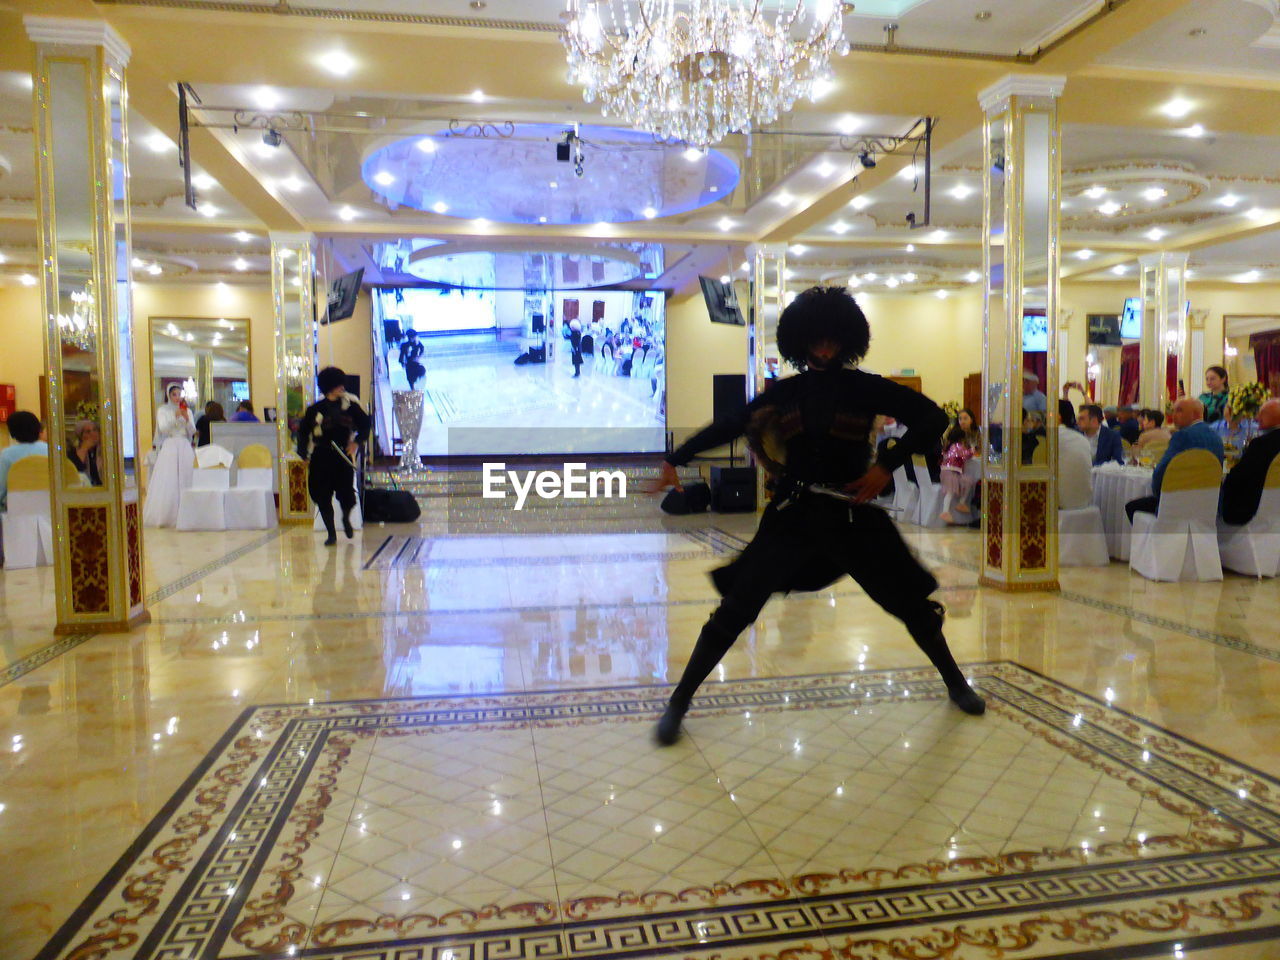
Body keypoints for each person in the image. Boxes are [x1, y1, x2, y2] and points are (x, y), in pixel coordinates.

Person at [648, 286, 984, 746]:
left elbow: (929, 418)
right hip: (794, 515)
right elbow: (731, 423)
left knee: (910, 607)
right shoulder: (786, 392)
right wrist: (676, 457)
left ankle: (956, 684)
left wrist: (885, 465)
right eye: (816, 340)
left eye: (832, 340)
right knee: (734, 610)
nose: (824, 348)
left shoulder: (866, 387)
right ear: (800, 342)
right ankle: (678, 704)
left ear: (847, 340)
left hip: (852, 516)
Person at [298, 366, 370, 546]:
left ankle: (346, 518)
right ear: (329, 386)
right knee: (322, 495)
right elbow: (302, 432)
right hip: (321, 456)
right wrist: (304, 455)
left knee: (346, 493)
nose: (342, 388)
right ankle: (331, 533)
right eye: (339, 385)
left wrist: (356, 442)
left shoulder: (350, 407)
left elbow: (365, 424)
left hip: (342, 456)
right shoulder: (315, 409)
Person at [1125, 397, 1225, 523]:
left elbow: (1161, 475)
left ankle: (1151, 542)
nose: (1173, 415)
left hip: (1179, 505)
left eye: (1179, 411)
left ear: (1194, 414)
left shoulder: (1182, 436)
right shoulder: (1215, 436)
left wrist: (1160, 494)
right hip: (1209, 505)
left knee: (1132, 506)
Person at [1220, 399, 1280, 526]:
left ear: (1275, 417)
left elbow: (1238, 478)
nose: (1257, 418)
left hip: (1255, 512)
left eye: (1262, 414)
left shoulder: (1262, 444)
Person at [143, 384, 196, 527]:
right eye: (174, 394)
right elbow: (163, 428)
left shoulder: (188, 411)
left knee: (187, 476)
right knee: (169, 478)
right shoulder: (163, 410)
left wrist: (186, 419)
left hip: (184, 446)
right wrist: (175, 416)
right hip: (171, 445)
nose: (177, 397)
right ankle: (167, 515)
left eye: (179, 394)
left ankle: (188, 513)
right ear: (169, 395)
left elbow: (192, 431)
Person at [0, 411, 48, 513]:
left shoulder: (7, 454)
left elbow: (1, 489)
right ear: (38, 428)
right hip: (48, 510)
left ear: (12, 432)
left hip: (17, 512)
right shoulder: (51, 451)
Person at [938, 408, 980, 524]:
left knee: (969, 480)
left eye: (965, 418)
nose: (962, 421)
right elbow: (965, 454)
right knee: (952, 490)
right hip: (954, 471)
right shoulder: (956, 439)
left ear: (972, 420)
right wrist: (971, 451)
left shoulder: (976, 433)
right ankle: (949, 511)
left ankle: (964, 505)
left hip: (952, 470)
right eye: (960, 419)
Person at [1057, 400, 1094, 511]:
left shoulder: (1051, 437)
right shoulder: (1082, 439)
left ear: (1057, 417)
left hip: (1060, 505)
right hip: (1084, 502)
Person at [67, 420, 102, 485]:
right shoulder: (73, 451)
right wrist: (84, 448)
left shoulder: (104, 450)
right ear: (81, 436)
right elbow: (77, 470)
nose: (93, 434)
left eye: (95, 430)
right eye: (88, 432)